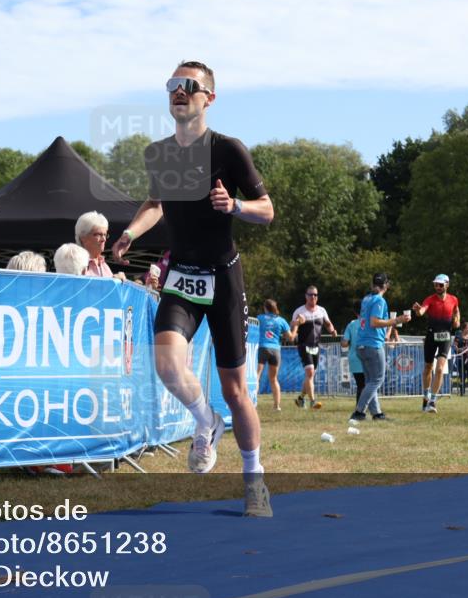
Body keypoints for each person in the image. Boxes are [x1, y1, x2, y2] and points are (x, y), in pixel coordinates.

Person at [111, 60, 275, 517]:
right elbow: (156, 203)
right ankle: (205, 420)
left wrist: (236, 205)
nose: (179, 92)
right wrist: (132, 233)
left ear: (209, 98)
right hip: (180, 274)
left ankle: (255, 482)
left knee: (237, 390)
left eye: (190, 86)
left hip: (222, 276)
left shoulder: (229, 150)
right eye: (172, 85)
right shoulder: (159, 153)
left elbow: (268, 210)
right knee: (166, 364)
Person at [349, 273, 411, 424]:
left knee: (370, 381)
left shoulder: (366, 299)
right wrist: (397, 320)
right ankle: (358, 412)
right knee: (377, 380)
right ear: (386, 285)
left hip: (361, 344)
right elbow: (374, 322)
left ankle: (376, 413)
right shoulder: (379, 300)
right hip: (373, 345)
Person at [411, 274, 460, 413]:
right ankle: (425, 397)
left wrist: (457, 319)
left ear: (447, 285)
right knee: (428, 367)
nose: (437, 287)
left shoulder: (453, 299)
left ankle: (433, 401)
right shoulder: (430, 299)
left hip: (445, 337)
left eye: (440, 284)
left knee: (439, 369)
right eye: (435, 285)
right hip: (431, 336)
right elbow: (422, 311)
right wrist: (418, 310)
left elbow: (456, 311)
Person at [291, 286, 336, 410]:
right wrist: (298, 322)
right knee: (310, 372)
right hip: (303, 345)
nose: (313, 297)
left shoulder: (321, 310)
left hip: (316, 345)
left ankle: (301, 398)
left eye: (315, 295)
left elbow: (328, 323)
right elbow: (291, 326)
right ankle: (312, 402)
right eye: (310, 295)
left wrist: (332, 331)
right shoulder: (299, 311)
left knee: (310, 376)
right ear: (306, 296)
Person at [256, 299, 300, 412]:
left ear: (265, 308)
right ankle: (277, 406)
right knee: (273, 379)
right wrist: (296, 326)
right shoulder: (281, 320)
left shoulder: (260, 318)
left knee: (256, 377)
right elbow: (291, 338)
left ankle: (252, 404)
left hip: (262, 348)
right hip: (275, 350)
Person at [76, 211, 125, 280]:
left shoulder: (104, 265)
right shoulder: (74, 263)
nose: (104, 239)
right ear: (83, 237)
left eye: (105, 235)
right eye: (98, 234)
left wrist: (118, 282)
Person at [341, 314, 365, 405]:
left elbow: (344, 343)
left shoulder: (351, 324)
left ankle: (359, 408)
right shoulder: (372, 322)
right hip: (369, 357)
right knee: (369, 385)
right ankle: (364, 408)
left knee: (360, 385)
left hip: (355, 358)